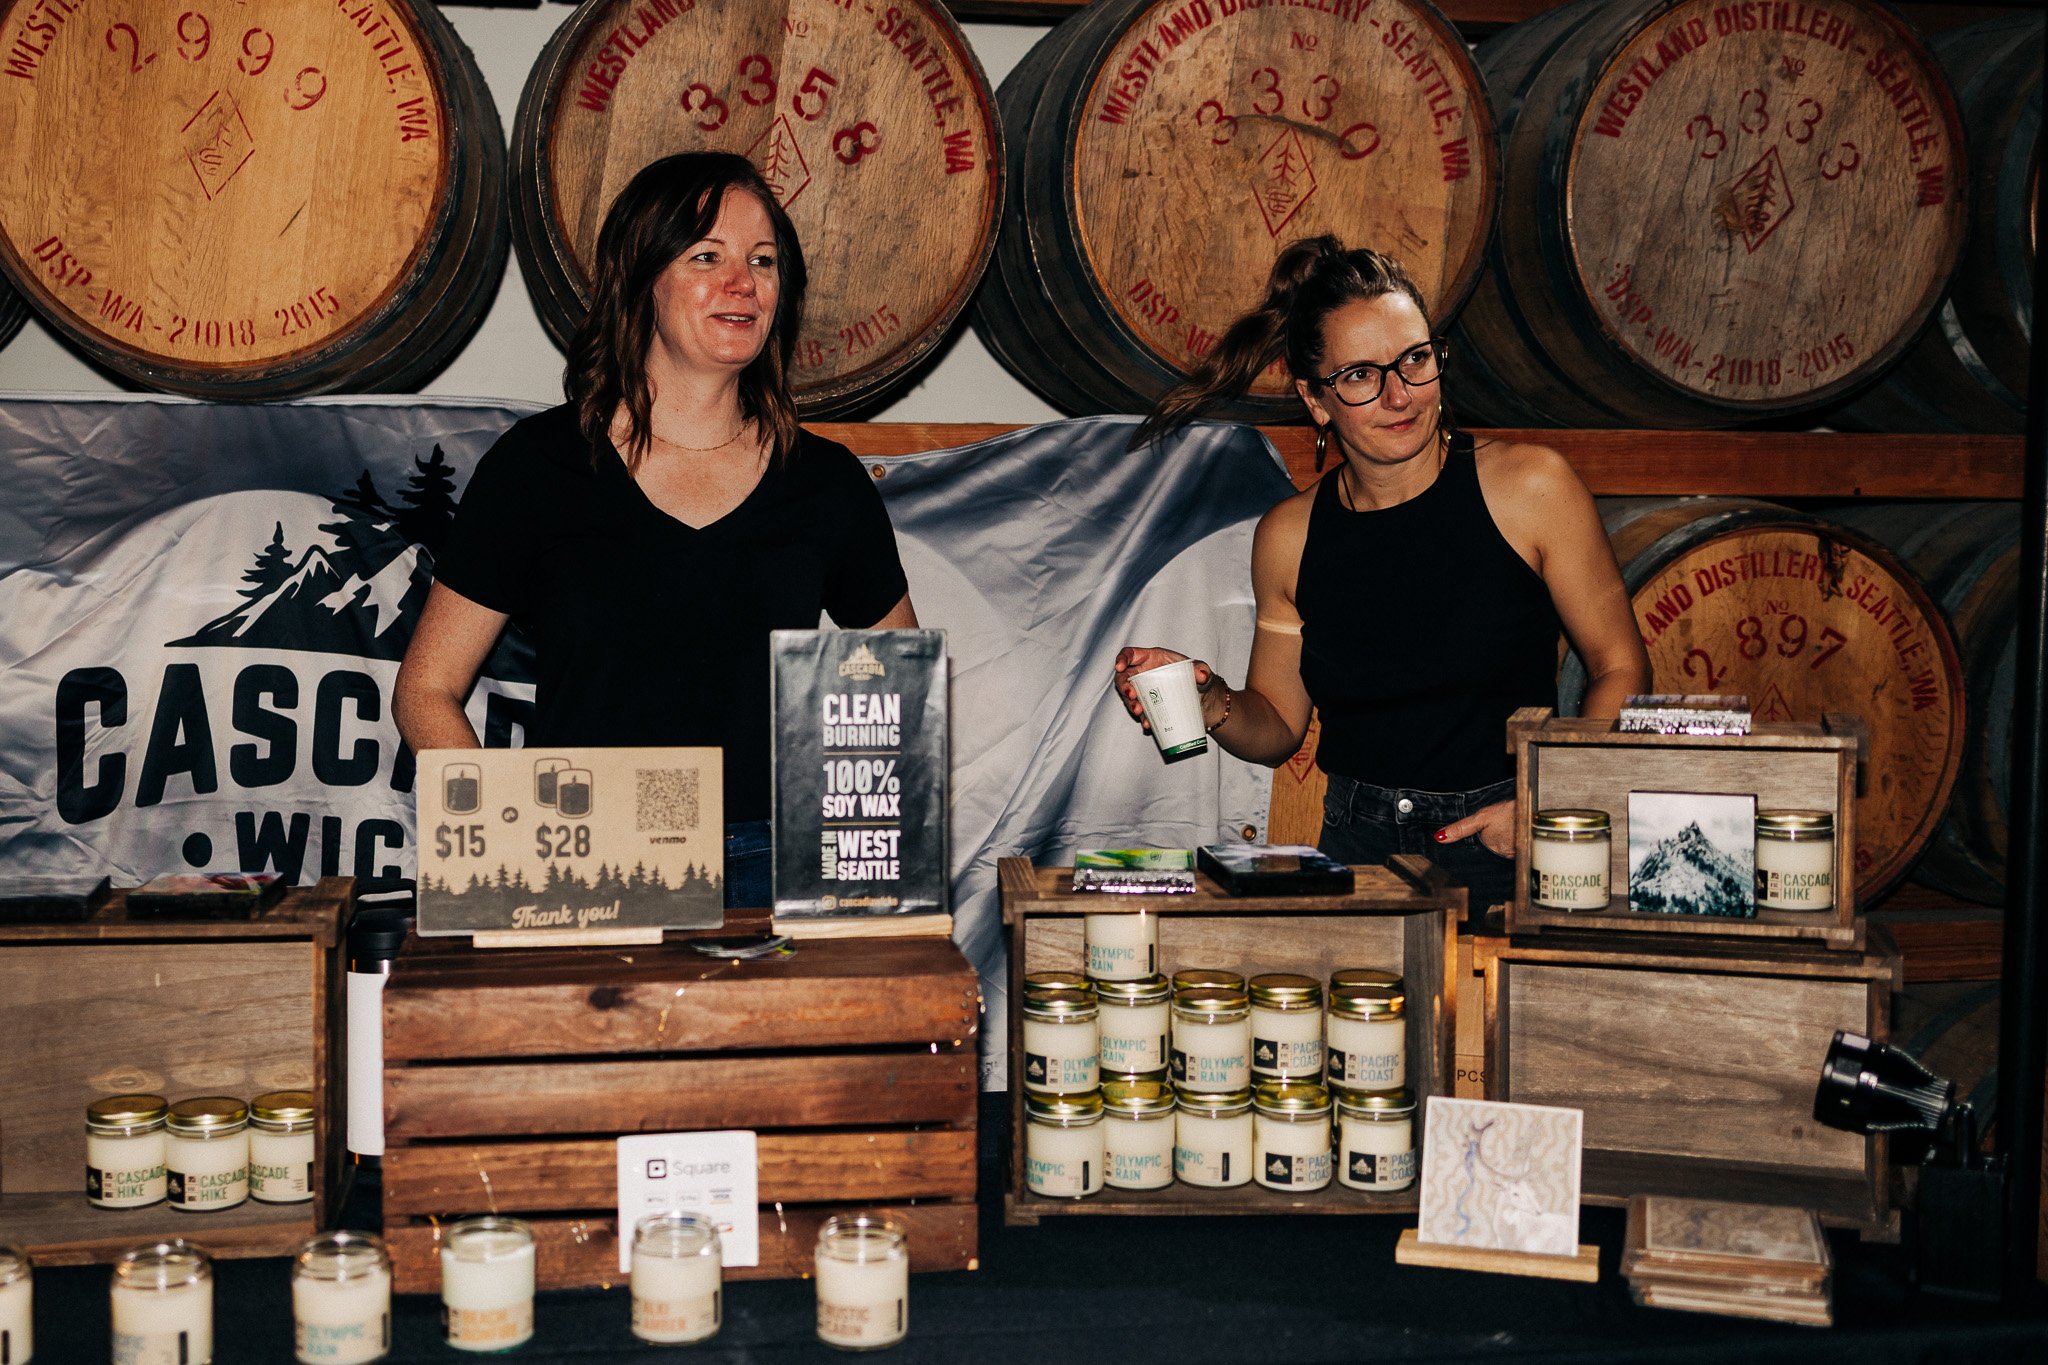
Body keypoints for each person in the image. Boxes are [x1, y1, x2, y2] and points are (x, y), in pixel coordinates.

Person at [395, 153, 917, 907]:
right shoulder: (539, 467)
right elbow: (426, 688)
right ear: (642, 280)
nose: (743, 282)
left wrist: (854, 865)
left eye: (762, 260)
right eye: (707, 256)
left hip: (775, 866)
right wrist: (504, 839)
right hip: (586, 859)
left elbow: (896, 696)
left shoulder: (825, 483)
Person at [1113, 237, 1647, 909]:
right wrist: (1209, 697)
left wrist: (1550, 802)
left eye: (1415, 359)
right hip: (1356, 845)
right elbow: (1277, 726)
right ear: (1316, 400)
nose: (1400, 395)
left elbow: (1619, 666)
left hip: (1503, 841)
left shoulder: (1531, 486)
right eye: (1362, 375)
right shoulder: (1289, 534)